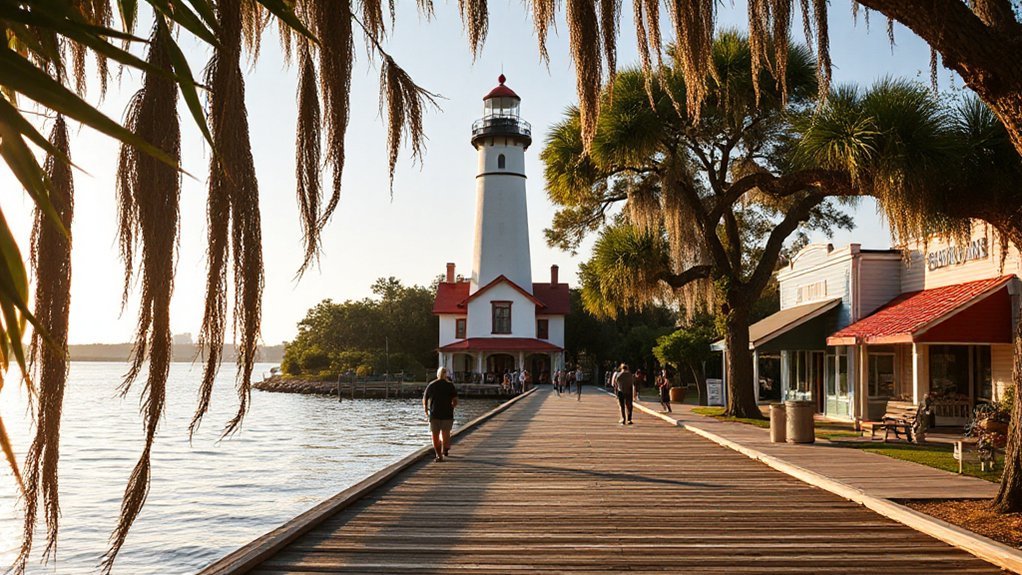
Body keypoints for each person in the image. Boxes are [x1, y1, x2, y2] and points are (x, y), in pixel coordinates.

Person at [423, 367, 458, 462]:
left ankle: (439, 455)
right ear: (446, 374)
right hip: (447, 414)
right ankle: (445, 448)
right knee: (445, 434)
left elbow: (425, 398)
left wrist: (426, 410)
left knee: (435, 436)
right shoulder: (450, 385)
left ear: (437, 374)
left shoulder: (431, 385)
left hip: (434, 414)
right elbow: (455, 400)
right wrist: (452, 407)